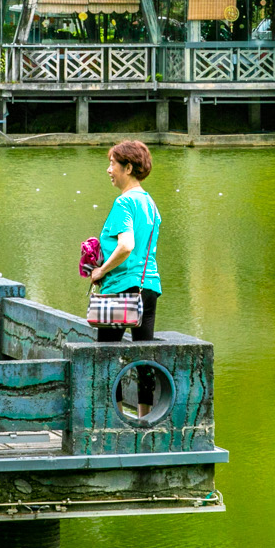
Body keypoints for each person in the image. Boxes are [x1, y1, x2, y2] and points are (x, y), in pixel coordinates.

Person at [84, 140, 164, 402]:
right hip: (148, 287)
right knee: (145, 361)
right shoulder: (151, 204)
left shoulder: (124, 203)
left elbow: (127, 245)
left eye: (112, 164)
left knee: (107, 360)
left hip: (120, 288)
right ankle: (146, 422)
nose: (109, 169)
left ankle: (112, 425)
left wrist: (100, 271)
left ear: (128, 168)